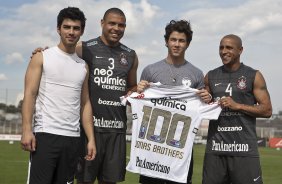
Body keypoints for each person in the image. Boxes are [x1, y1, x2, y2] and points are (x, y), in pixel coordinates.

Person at [20, 7, 96, 184]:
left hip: (72, 140)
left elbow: (85, 103)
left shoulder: (83, 66)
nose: (71, 32)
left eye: (76, 28)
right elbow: (29, 94)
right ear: (58, 28)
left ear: (82, 31)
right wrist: (26, 130)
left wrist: (91, 139)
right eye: (67, 27)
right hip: (45, 136)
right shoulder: (41, 57)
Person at [136, 20, 212, 184]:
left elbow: (201, 108)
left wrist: (207, 98)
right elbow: (138, 103)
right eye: (173, 40)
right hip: (152, 148)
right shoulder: (150, 70)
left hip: (181, 150)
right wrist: (139, 91)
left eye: (181, 40)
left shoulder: (196, 74)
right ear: (166, 41)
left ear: (188, 44)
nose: (177, 44)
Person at [75, 8, 139, 184]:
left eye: (121, 25)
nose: (116, 28)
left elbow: (131, 86)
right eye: (112, 23)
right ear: (102, 23)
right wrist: (43, 52)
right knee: (84, 181)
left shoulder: (131, 55)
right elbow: (61, 55)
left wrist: (137, 91)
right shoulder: (84, 48)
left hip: (117, 131)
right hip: (89, 131)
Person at [202, 34, 272, 184]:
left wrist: (238, 106)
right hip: (216, 150)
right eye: (221, 47)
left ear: (240, 50)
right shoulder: (210, 76)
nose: (223, 51)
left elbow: (267, 110)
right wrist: (205, 100)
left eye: (229, 48)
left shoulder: (253, 75)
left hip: (244, 149)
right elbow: (202, 107)